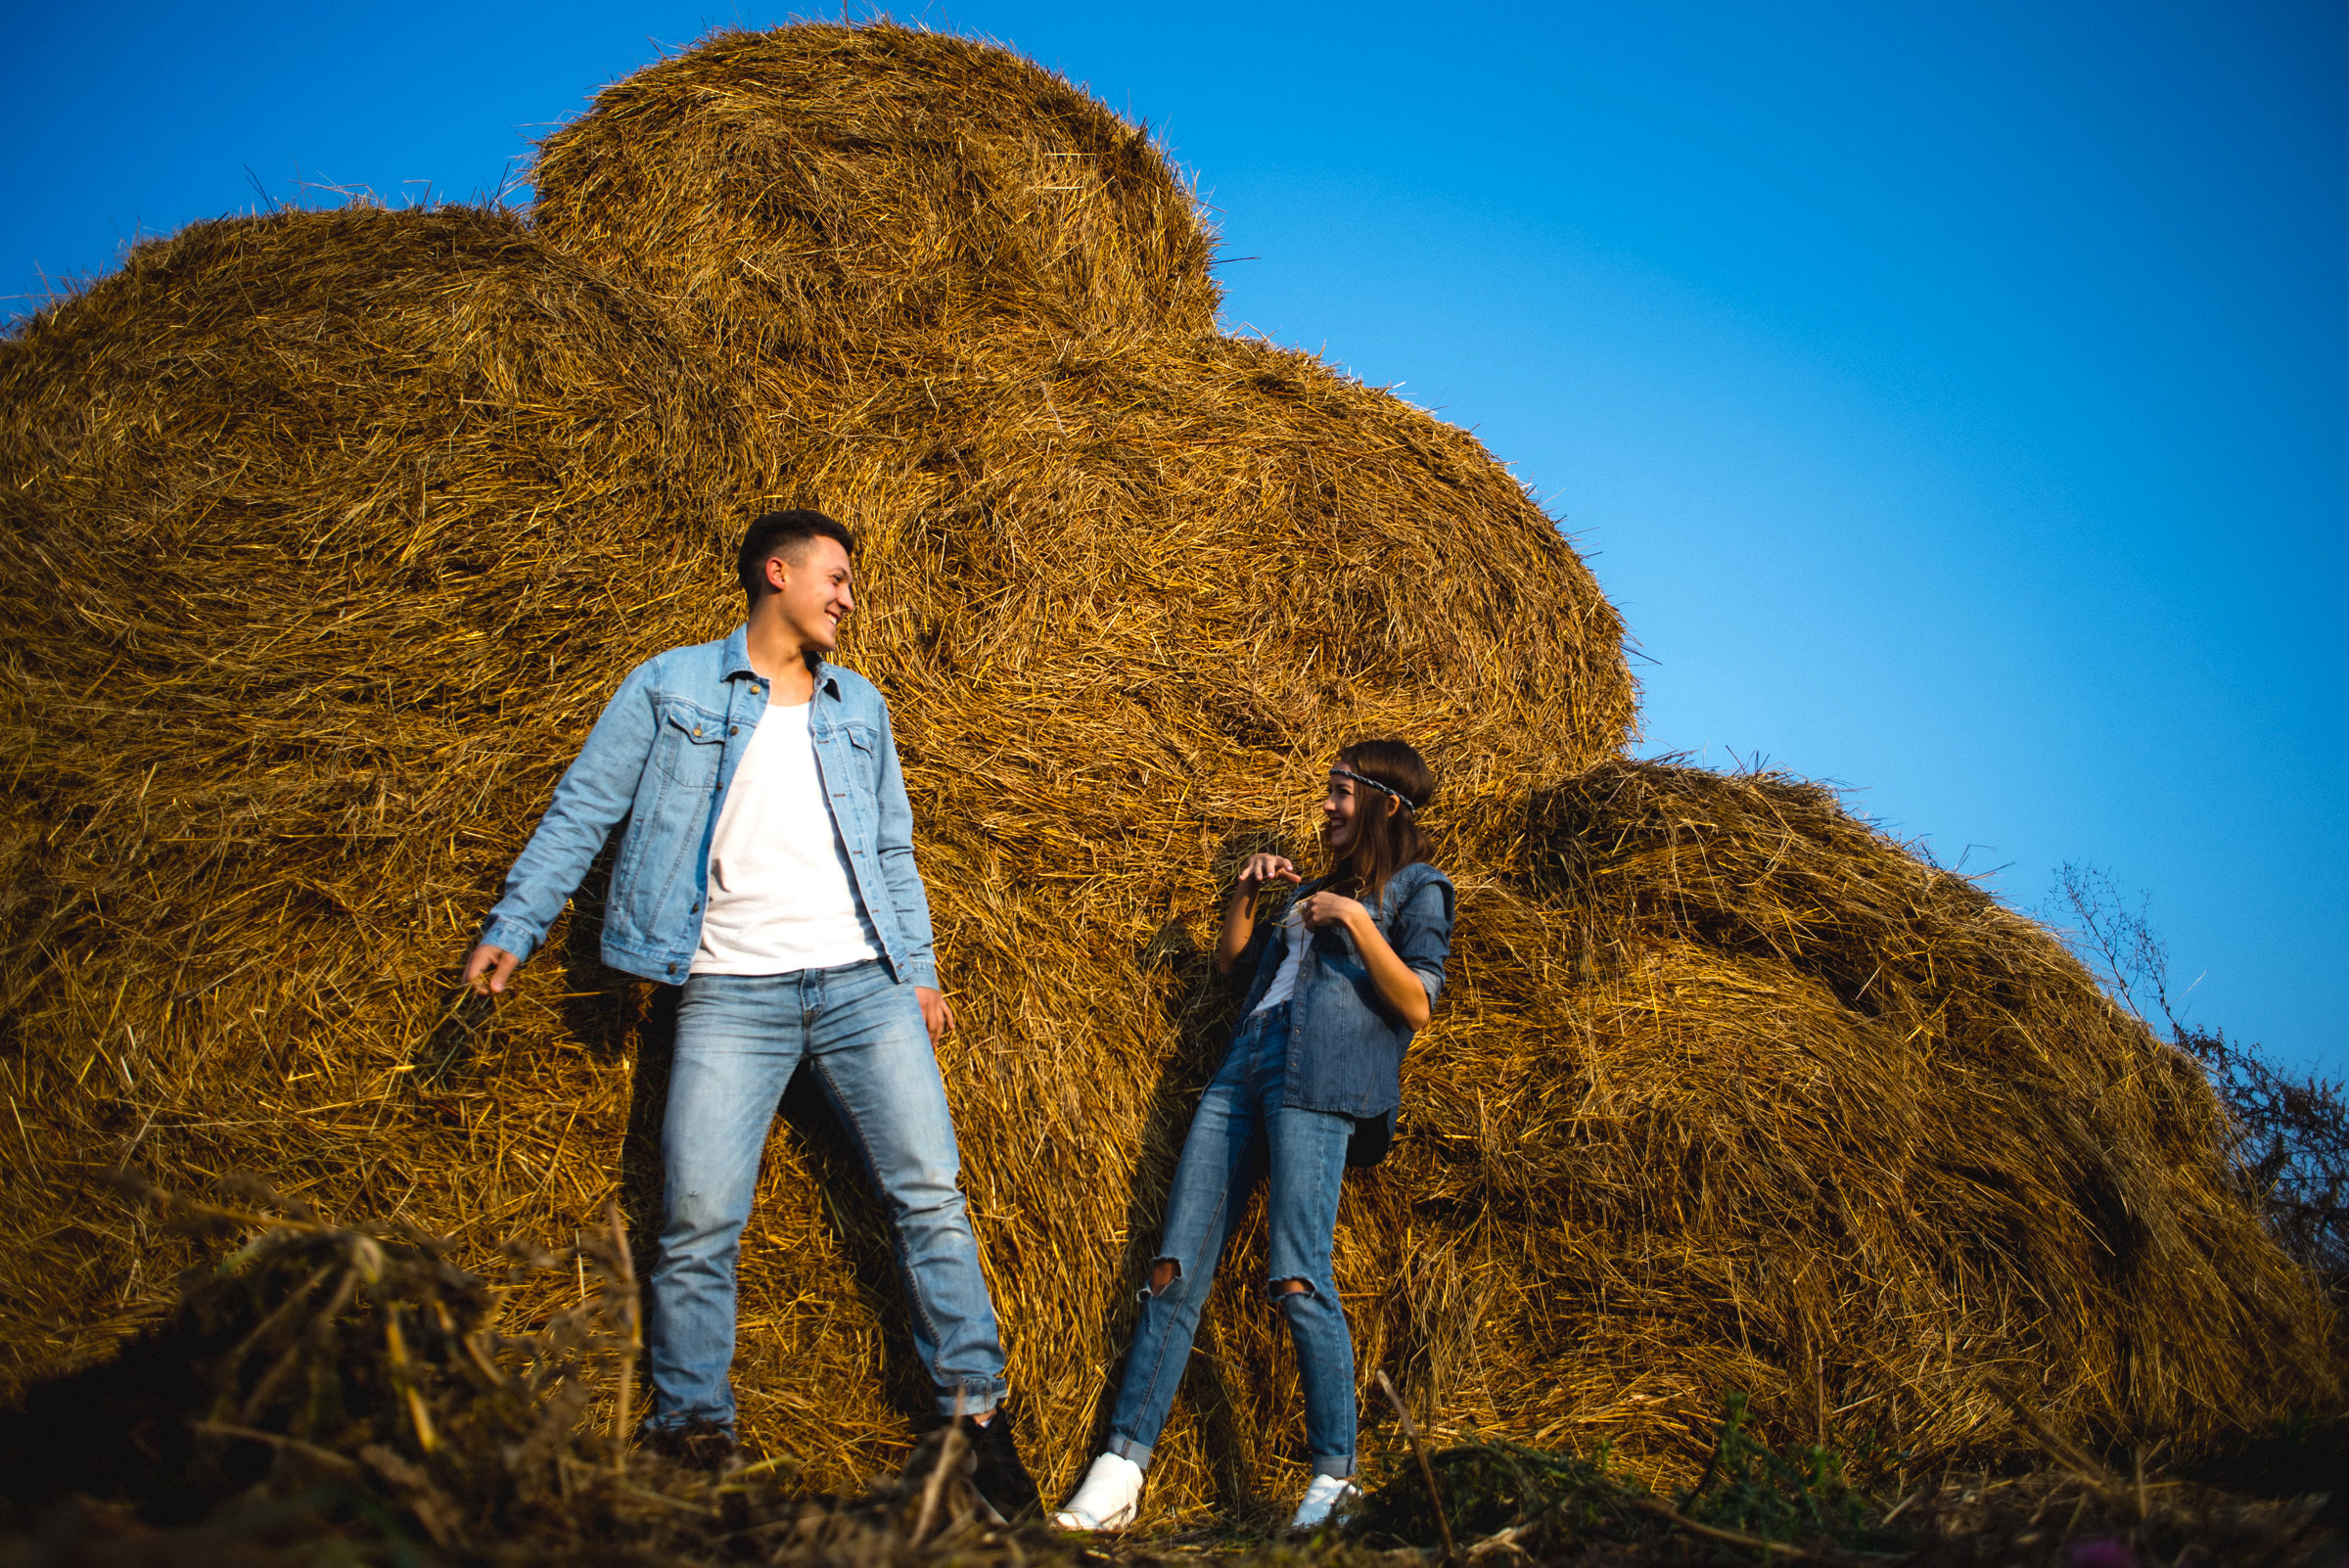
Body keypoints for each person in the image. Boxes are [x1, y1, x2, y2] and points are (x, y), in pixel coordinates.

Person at [461, 509, 1036, 1513]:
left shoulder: (860, 706)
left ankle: (976, 1424)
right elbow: (585, 808)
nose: (848, 598)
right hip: (728, 990)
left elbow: (892, 847)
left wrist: (920, 970)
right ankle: (694, 1434)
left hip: (862, 983)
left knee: (930, 1198)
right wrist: (519, 922)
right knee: (698, 1219)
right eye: (837, 578)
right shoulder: (669, 686)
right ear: (778, 573)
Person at [1053, 741, 1455, 1535]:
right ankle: (1120, 1470)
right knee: (1173, 1268)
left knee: (1298, 1275)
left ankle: (1335, 1478)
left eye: (1340, 792)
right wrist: (1246, 893)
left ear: (1385, 803)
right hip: (1245, 1067)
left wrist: (1355, 920)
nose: (1327, 806)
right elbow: (1233, 967)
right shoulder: (1310, 890)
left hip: (1321, 1075)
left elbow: (1418, 1001)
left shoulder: (1419, 887)